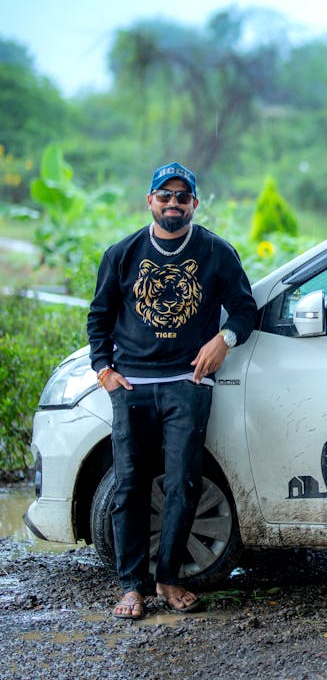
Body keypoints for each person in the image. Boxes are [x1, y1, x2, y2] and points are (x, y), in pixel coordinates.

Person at [87, 162, 257, 620]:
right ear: (150, 201)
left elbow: (244, 309)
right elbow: (99, 317)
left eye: (183, 197)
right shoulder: (121, 254)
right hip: (133, 386)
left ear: (194, 204)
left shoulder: (216, 252)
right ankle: (131, 586)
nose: (174, 204)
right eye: (165, 196)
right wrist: (104, 370)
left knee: (183, 484)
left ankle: (169, 578)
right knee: (130, 486)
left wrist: (224, 340)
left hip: (188, 384)